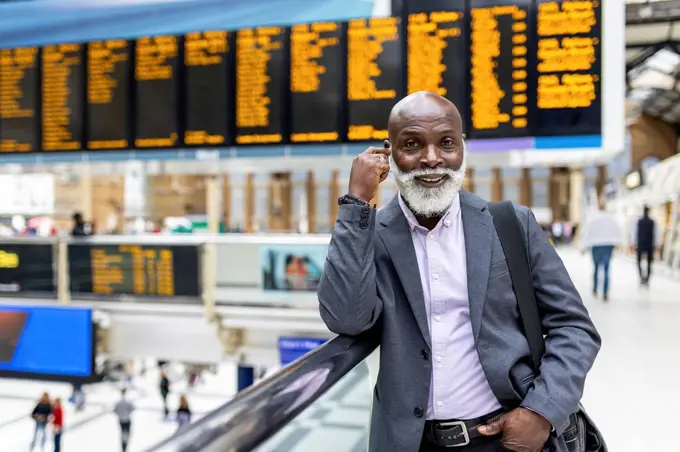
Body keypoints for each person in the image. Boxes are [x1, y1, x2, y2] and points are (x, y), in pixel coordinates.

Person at [318, 91, 601, 452]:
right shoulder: (369, 236)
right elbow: (346, 319)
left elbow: (574, 327)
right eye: (412, 144)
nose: (432, 158)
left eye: (446, 143)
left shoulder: (511, 224)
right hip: (411, 443)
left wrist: (541, 412)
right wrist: (356, 202)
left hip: (505, 438)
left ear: (462, 147)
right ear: (389, 153)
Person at [579, 201, 623, 301]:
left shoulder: (593, 219)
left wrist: (583, 247)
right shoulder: (611, 219)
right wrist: (618, 244)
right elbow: (617, 231)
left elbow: (587, 233)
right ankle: (605, 292)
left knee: (595, 268)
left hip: (596, 246)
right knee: (606, 269)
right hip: (608, 246)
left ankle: (595, 289)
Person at [631, 205, 657, 285]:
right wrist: (656, 244)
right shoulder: (652, 222)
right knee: (649, 262)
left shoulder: (638, 221)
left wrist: (633, 243)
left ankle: (642, 277)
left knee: (639, 261)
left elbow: (634, 233)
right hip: (649, 244)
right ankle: (647, 278)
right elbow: (656, 234)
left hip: (640, 243)